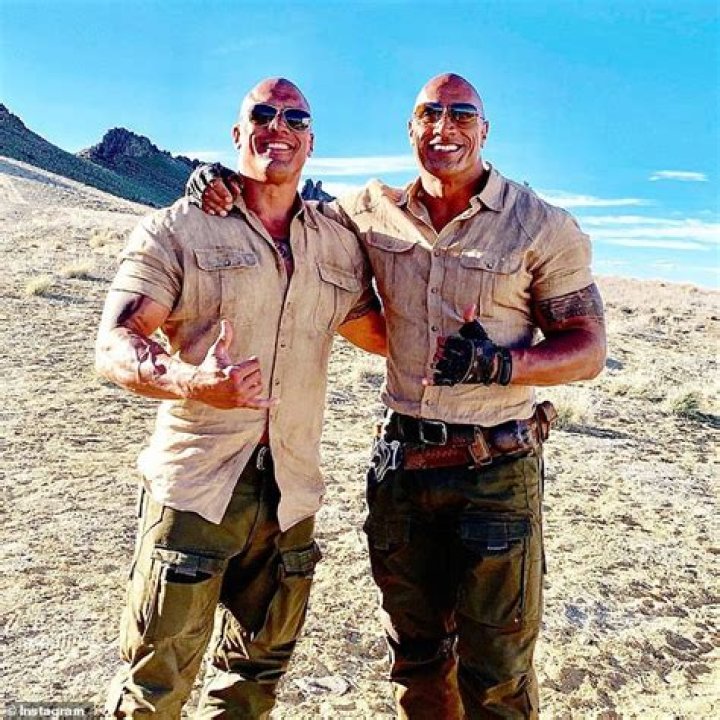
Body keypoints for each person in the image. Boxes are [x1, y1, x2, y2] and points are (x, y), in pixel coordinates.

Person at [189, 72, 606, 719]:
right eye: (429, 114)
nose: (445, 127)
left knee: (496, 673)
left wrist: (500, 364)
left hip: (496, 474)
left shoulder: (539, 224)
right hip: (402, 470)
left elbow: (588, 348)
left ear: (485, 129)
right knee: (417, 658)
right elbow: (287, 219)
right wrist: (224, 185)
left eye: (461, 114)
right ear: (410, 128)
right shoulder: (368, 211)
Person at [96, 77, 386, 718]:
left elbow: (383, 333)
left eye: (295, 118)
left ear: (311, 140)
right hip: (197, 489)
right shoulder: (179, 228)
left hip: (291, 494)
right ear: (237, 133)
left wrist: (494, 345)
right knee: (154, 685)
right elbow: (115, 341)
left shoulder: (336, 241)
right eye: (263, 114)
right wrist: (191, 381)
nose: (278, 127)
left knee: (254, 682)